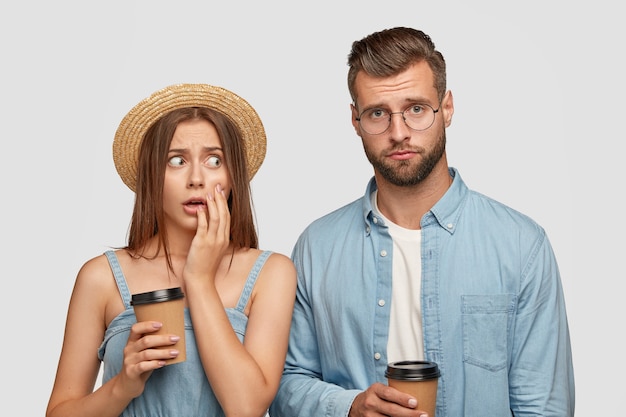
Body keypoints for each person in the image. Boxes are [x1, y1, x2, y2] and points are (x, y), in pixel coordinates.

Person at [269, 27, 575, 417]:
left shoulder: (520, 244)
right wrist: (348, 406)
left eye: (416, 109)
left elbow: (544, 406)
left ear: (446, 107)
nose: (398, 133)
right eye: (378, 113)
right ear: (355, 120)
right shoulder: (318, 246)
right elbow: (285, 387)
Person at [46, 83, 297, 417]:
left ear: (233, 175)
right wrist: (123, 386)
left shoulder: (271, 273)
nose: (196, 178)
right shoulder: (100, 277)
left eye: (214, 160)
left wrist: (199, 278)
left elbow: (246, 407)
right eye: (176, 161)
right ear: (152, 176)